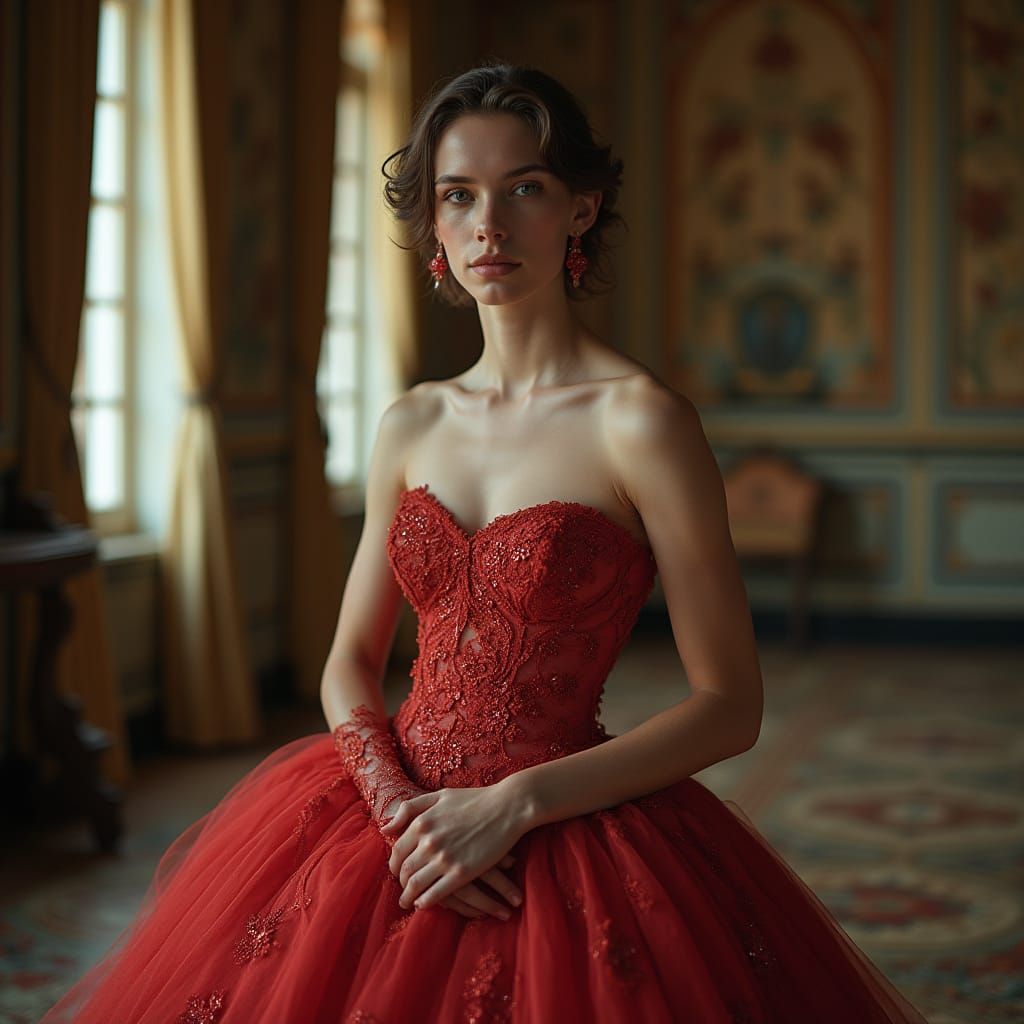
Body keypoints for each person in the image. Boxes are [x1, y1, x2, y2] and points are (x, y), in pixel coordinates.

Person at [41, 60, 928, 1023]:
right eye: (458, 196)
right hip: (392, 813)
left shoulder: (642, 423)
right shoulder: (411, 423)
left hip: (561, 826)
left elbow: (730, 705)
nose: (488, 227)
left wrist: (512, 807)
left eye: (526, 191)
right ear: (433, 226)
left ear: (581, 211)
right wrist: (398, 814)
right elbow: (348, 661)